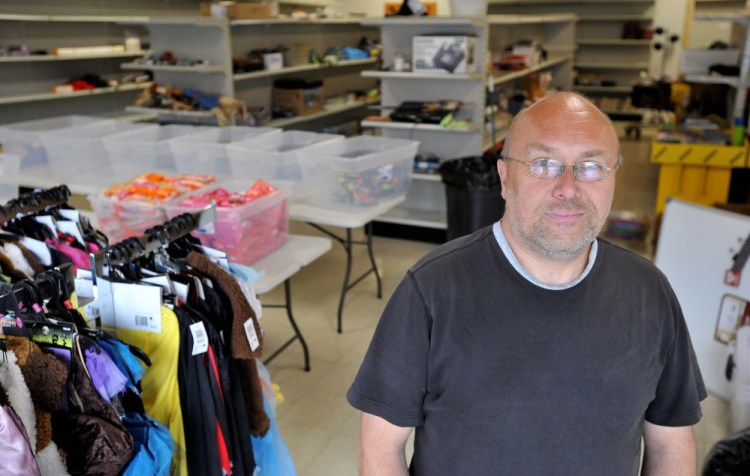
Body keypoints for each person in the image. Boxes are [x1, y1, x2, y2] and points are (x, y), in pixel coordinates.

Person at [346, 91, 706, 475]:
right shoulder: (433, 290)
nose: (568, 187)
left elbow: (670, 444)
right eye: (543, 164)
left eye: (591, 166)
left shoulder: (649, 293)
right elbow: (381, 448)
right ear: (504, 177)